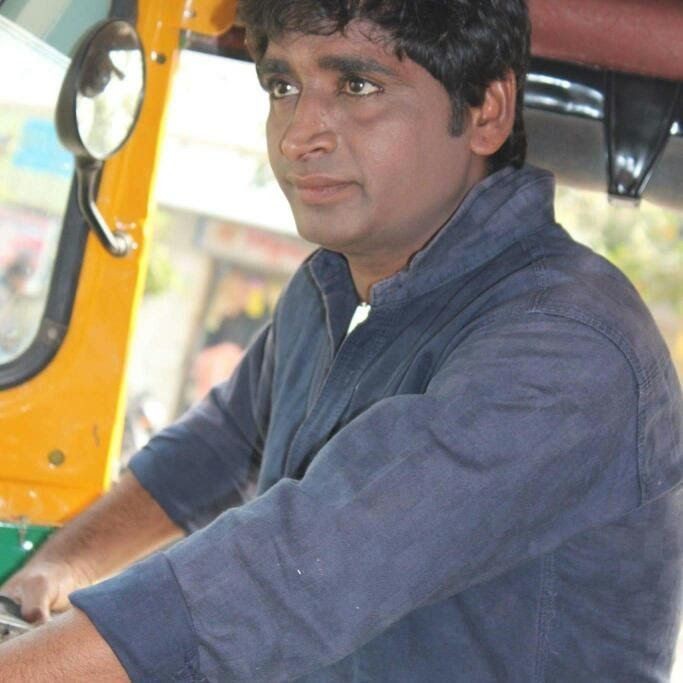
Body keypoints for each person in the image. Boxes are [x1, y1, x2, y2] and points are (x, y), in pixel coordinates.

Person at [1, 0, 682, 680]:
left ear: (485, 111)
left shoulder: (564, 348)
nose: (297, 137)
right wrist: (59, 568)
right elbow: (220, 446)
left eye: (357, 86)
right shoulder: (327, 289)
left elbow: (287, 574)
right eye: (282, 87)